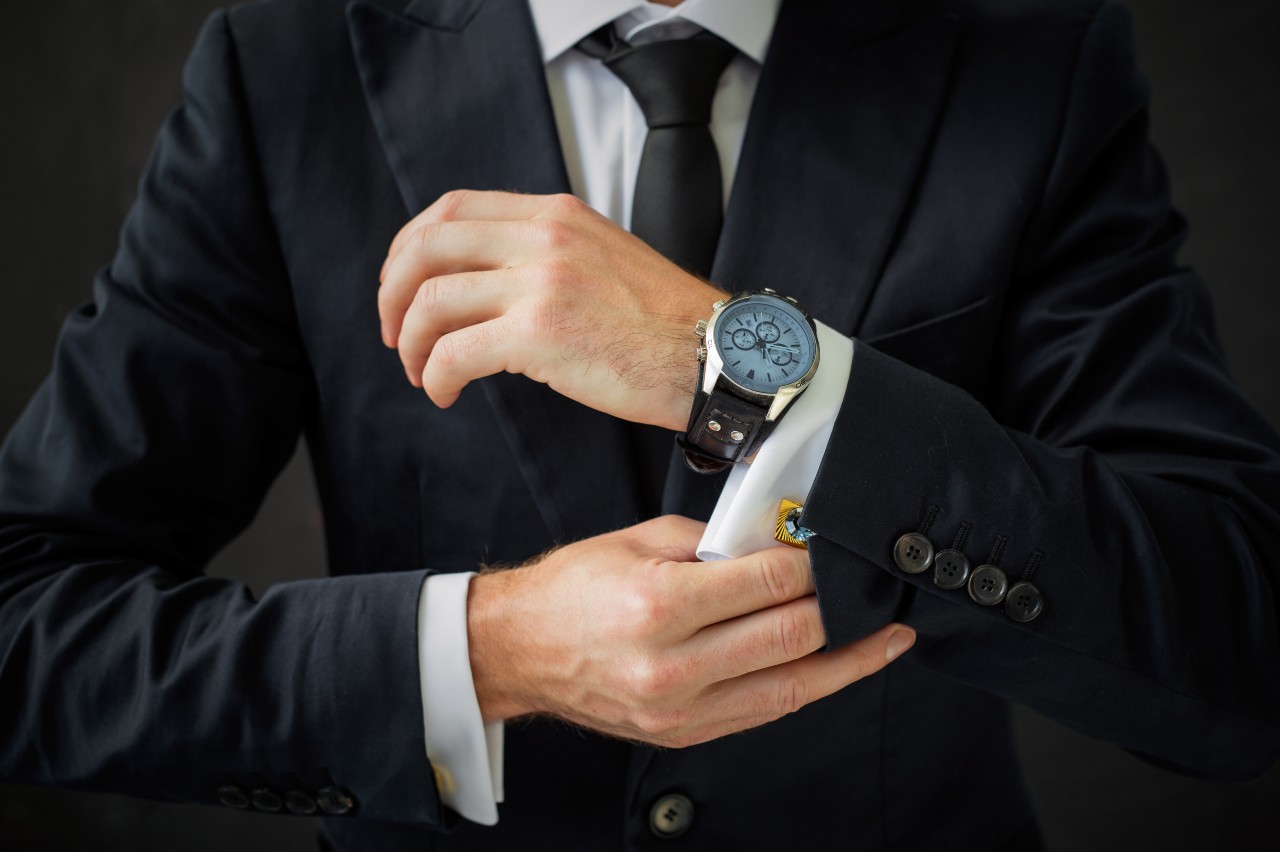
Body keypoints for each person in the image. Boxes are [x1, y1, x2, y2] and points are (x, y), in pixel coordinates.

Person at [2, 0, 1279, 849]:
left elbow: (1237, 645)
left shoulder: (1027, 52)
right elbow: (27, 620)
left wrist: (727, 364)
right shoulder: (284, 63)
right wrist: (487, 652)